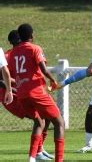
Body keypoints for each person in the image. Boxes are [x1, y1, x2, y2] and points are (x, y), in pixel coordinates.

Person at [7, 23, 65, 162]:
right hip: (36, 91)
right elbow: (44, 70)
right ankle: (59, 160)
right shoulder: (35, 48)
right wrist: (52, 80)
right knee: (59, 123)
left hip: (21, 94)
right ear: (32, 35)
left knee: (39, 122)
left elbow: (12, 73)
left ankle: (32, 158)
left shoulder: (12, 53)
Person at [0, 30, 54, 161]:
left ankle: (39, 150)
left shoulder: (21, 52)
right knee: (40, 119)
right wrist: (20, 84)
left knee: (46, 117)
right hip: (11, 96)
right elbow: (2, 79)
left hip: (24, 92)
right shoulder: (9, 55)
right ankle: (36, 153)